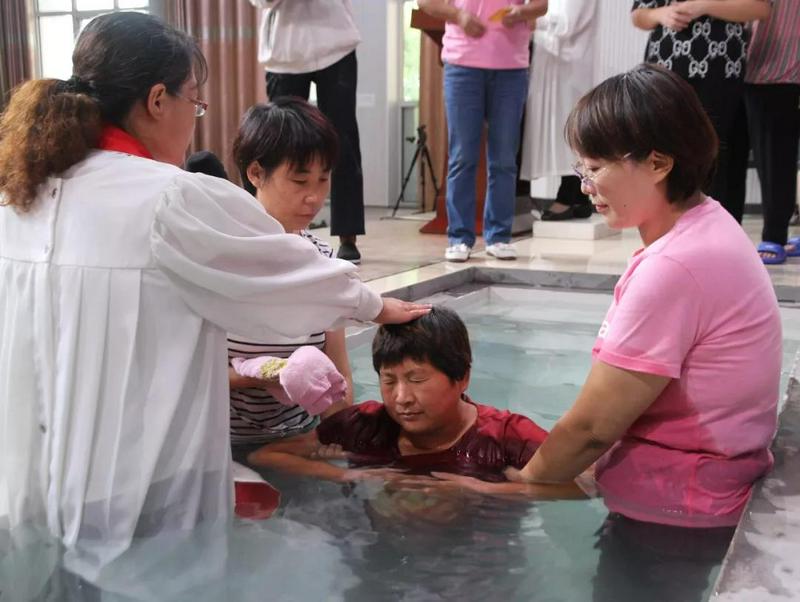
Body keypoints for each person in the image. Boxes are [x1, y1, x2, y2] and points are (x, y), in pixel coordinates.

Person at [0, 12, 428, 554]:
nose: (194, 121)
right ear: (158, 100)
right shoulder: (169, 197)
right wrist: (377, 306)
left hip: (34, 477)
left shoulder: (21, 195)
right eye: (193, 104)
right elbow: (287, 278)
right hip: (135, 482)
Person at [508, 64, 782, 529]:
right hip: (703, 481)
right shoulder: (708, 223)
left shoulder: (675, 266)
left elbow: (592, 429)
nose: (585, 186)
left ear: (658, 163)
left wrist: (515, 489)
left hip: (678, 507)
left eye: (595, 168)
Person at [247, 306, 583, 499]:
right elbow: (266, 454)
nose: (401, 398)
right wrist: (348, 478)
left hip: (476, 566)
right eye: (388, 381)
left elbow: (586, 485)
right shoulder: (366, 427)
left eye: (417, 380)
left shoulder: (506, 436)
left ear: (462, 377)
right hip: (381, 559)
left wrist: (483, 490)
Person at [228, 98, 354, 451]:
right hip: (220, 443)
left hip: (297, 440)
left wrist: (342, 444)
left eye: (323, 179)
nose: (314, 197)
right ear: (255, 173)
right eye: (299, 180)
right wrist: (269, 372)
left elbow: (339, 375)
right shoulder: (220, 257)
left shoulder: (324, 262)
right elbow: (185, 376)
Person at [417, 0, 549, 262]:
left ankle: (499, 236)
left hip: (511, 69)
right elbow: (425, 3)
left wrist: (521, 12)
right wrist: (459, 15)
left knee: (504, 159)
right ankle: (459, 237)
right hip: (462, 65)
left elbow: (542, 5)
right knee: (462, 157)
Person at [631, 0, 771, 222]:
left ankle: (719, 233)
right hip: (665, 69)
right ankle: (667, 230)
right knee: (663, 150)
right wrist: (661, 14)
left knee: (717, 154)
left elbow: (759, 8)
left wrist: (704, 6)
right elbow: (638, 15)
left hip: (721, 70)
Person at [248, 0, 365, 264]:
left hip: (336, 44)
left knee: (343, 141)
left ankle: (348, 233)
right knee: (281, 145)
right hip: (284, 52)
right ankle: (279, 226)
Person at [521, 0, 598, 222]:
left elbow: (567, 24)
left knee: (569, 130)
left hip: (569, 65)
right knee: (559, 131)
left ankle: (570, 194)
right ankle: (576, 198)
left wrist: (526, 17)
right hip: (551, 60)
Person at [743, 0, 800, 264]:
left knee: (779, 156)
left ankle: (777, 234)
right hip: (762, 64)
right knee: (773, 156)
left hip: (783, 65)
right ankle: (775, 234)